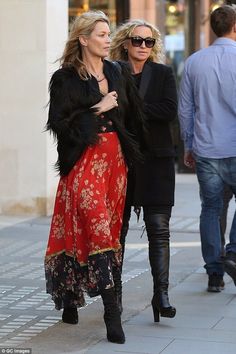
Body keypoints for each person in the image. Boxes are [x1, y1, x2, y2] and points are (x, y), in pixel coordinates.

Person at [44, 10, 144, 344]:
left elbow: (133, 117)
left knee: (108, 231)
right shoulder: (65, 78)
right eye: (101, 34)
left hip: (115, 162)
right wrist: (96, 110)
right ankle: (112, 315)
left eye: (107, 34)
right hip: (84, 161)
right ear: (83, 39)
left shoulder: (118, 71)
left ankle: (72, 298)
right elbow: (58, 124)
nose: (107, 39)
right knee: (96, 228)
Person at [110, 19, 178, 322]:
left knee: (159, 230)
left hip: (158, 161)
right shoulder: (113, 72)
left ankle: (161, 294)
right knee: (118, 232)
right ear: (126, 42)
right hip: (122, 161)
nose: (142, 47)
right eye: (137, 40)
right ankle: (117, 296)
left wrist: (134, 108)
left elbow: (169, 110)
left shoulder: (163, 73)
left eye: (148, 42)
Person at [178, 5, 236, 292]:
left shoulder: (193, 62)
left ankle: (215, 273)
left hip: (206, 148)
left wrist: (188, 145)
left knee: (211, 209)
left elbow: (185, 110)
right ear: (234, 27)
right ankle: (234, 254)